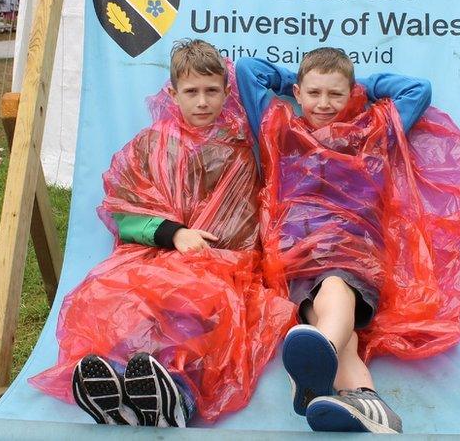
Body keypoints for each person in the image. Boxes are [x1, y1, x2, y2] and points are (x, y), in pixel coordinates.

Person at [29, 39, 292, 427]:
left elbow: (246, 219)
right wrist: (174, 233)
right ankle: (120, 383)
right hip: (159, 253)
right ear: (173, 93)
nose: (202, 102)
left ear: (226, 91)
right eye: (192, 92)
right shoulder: (152, 145)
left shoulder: (240, 144)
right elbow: (124, 210)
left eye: (212, 91)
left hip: (225, 263)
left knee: (198, 303)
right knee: (125, 294)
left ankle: (178, 394)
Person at [236, 49, 460, 434]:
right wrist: (293, 82)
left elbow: (418, 90)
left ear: (350, 93)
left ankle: (321, 355)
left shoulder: (372, 132)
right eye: (314, 93)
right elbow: (248, 70)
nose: (324, 104)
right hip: (294, 259)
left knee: (334, 289)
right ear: (299, 94)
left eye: (336, 94)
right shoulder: (279, 129)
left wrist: (362, 88)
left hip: (353, 253)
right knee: (335, 324)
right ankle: (367, 401)